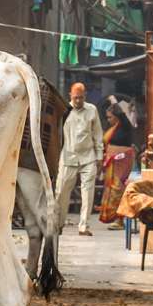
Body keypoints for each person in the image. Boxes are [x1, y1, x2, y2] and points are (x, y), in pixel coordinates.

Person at [56, 82, 103, 236]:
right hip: (68, 156)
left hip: (88, 157)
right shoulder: (63, 110)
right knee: (61, 191)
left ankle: (84, 226)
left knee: (88, 193)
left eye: (81, 98)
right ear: (70, 95)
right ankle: (59, 223)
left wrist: (99, 157)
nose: (78, 101)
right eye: (75, 98)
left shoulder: (92, 110)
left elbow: (97, 134)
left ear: (85, 96)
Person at [99, 102, 135, 229]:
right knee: (112, 189)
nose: (109, 120)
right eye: (107, 117)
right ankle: (113, 217)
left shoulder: (125, 126)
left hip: (122, 161)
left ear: (118, 116)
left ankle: (120, 220)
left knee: (118, 188)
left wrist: (114, 102)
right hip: (112, 162)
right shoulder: (113, 128)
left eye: (110, 117)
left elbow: (122, 114)